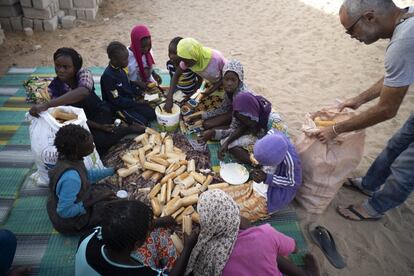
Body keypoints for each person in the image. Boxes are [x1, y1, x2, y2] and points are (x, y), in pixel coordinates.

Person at [314, 0, 414, 221]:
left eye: (350, 29)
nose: (350, 36)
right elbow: (396, 75)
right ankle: (370, 184)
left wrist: (336, 129)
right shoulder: (407, 18)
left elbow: (387, 110)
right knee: (397, 145)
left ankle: (374, 208)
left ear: (369, 17)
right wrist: (358, 100)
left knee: (406, 167)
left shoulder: (403, 41)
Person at [28, 47, 145, 156]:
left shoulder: (84, 73)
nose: (60, 70)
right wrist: (99, 127)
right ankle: (124, 130)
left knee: (103, 136)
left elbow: (83, 91)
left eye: (65, 67)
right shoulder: (54, 88)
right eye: (57, 66)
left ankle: (128, 129)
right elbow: (70, 116)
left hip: (100, 111)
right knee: (92, 143)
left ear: (76, 68)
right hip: (84, 121)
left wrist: (47, 105)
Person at [185, 189, 319, 276]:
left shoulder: (207, 253)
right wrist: (251, 230)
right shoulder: (265, 233)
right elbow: (294, 247)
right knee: (269, 251)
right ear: (235, 211)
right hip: (264, 249)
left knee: (265, 251)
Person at [75, 200, 197, 276]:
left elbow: (123, 227)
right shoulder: (139, 273)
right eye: (147, 229)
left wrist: (156, 223)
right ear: (137, 245)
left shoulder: (89, 237)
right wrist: (187, 248)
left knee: (156, 231)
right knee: (157, 234)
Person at [46, 124, 117, 235]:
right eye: (89, 145)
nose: (93, 147)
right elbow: (64, 212)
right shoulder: (71, 179)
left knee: (106, 190)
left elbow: (87, 175)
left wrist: (112, 170)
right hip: (69, 221)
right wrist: (98, 199)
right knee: (113, 209)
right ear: (76, 150)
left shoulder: (69, 158)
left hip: (67, 200)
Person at [223, 130, 302, 221]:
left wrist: (267, 178)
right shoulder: (272, 134)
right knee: (223, 197)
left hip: (270, 197)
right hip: (256, 185)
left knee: (232, 216)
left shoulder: (291, 161)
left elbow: (293, 182)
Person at [203, 92, 287, 164]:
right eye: (243, 120)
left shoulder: (274, 122)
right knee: (227, 144)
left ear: (253, 113)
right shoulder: (242, 112)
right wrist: (227, 142)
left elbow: (280, 146)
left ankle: (258, 163)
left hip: (271, 144)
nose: (247, 122)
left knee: (240, 150)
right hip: (256, 135)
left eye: (249, 120)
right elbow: (240, 127)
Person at [164, 37, 227, 113]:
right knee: (196, 108)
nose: (183, 64)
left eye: (186, 61)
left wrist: (211, 90)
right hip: (210, 84)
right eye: (182, 60)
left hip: (225, 84)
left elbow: (227, 76)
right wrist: (169, 97)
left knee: (218, 109)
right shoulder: (186, 61)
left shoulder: (216, 58)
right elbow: (175, 76)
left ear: (194, 56)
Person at [101, 41, 156, 126]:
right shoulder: (108, 77)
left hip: (129, 102)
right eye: (125, 59)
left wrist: (140, 91)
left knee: (152, 114)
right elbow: (116, 101)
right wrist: (136, 103)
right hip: (120, 108)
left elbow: (127, 85)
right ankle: (120, 118)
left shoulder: (121, 70)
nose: (127, 61)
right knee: (143, 123)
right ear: (115, 60)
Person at [186, 59, 247, 130]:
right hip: (232, 113)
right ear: (222, 79)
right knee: (206, 124)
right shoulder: (229, 91)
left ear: (240, 80)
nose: (229, 83)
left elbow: (241, 125)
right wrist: (200, 116)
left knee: (210, 129)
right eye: (226, 79)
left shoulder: (241, 97)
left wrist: (217, 132)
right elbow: (223, 109)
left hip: (244, 121)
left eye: (233, 80)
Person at [128, 24, 162, 90]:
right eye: (143, 47)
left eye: (148, 45)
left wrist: (154, 73)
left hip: (148, 85)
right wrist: (138, 83)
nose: (146, 49)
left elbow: (149, 66)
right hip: (134, 88)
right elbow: (124, 78)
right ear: (136, 43)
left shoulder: (149, 52)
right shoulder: (127, 56)